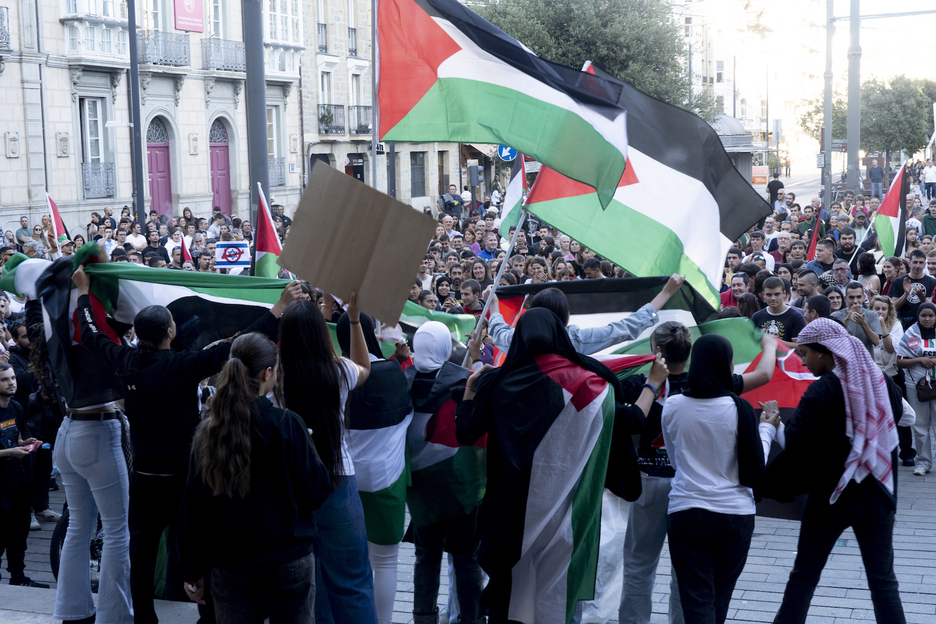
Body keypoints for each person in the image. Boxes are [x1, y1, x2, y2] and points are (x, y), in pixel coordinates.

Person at [71, 266, 302, 624]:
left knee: (142, 551)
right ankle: (206, 616)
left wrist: (84, 292)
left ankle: (144, 618)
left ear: (136, 333)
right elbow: (234, 350)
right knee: (199, 545)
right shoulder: (182, 366)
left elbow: (88, 332)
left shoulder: (124, 362)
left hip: (145, 476)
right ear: (170, 331)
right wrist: (277, 308)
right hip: (186, 474)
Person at [455, 309, 650, 623]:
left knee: (512, 598)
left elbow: (465, 432)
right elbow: (621, 433)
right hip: (569, 510)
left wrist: (470, 388)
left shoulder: (498, 382)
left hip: (511, 514)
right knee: (558, 599)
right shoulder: (595, 383)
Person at [618, 324, 778, 624]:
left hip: (654, 483)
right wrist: (769, 345)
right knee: (689, 578)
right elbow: (765, 374)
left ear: (656, 351)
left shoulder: (643, 384)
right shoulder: (718, 384)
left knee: (639, 566)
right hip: (692, 491)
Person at [177, 333, 331, 624]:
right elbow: (316, 491)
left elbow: (193, 507)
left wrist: (191, 569)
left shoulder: (209, 431)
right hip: (288, 556)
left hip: (230, 561)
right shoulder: (287, 425)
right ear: (267, 373)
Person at [767, 319, 905, 624]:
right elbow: (899, 419)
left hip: (831, 497)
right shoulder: (881, 383)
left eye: (805, 353)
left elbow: (796, 444)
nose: (803, 360)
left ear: (826, 352)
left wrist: (773, 425)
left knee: (804, 576)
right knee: (883, 582)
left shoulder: (821, 391)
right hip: (877, 494)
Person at [662, 335, 779, 624]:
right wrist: (767, 429)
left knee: (696, 599)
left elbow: (675, 459)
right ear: (727, 365)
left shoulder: (673, 405)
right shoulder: (739, 409)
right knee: (719, 599)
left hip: (687, 510)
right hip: (734, 514)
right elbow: (754, 464)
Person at [278, 296, 378, 624]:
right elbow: (365, 366)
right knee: (353, 582)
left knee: (315, 583)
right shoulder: (338, 371)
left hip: (293, 492)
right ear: (323, 333)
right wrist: (351, 320)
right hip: (339, 484)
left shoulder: (276, 380)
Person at [335, 313, 413, 624]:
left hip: (346, 478)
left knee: (354, 561)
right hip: (387, 479)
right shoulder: (394, 371)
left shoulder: (337, 374)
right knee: (387, 561)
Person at [406, 322, 485, 624]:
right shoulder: (466, 380)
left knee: (426, 556)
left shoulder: (402, 380)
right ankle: (472, 619)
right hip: (461, 484)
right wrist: (476, 358)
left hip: (422, 487)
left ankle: (423, 618)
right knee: (466, 558)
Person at [488, 275, 686, 355]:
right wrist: (666, 293)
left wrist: (494, 304)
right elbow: (625, 328)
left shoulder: (515, 341)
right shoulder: (574, 340)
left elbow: (498, 331)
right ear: (566, 317)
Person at [0, 363, 48, 588]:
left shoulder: (16, 407)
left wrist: (25, 444)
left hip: (17, 477)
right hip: (1, 479)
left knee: (19, 531)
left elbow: (15, 438)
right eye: (4, 380)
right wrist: (11, 452)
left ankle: (18, 577)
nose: (11, 383)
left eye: (12, 378)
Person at [870, 295, 916, 467]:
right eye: (877, 309)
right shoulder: (865, 323)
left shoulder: (896, 325)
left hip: (892, 376)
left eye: (884, 309)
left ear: (889, 310)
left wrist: (882, 325)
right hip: (873, 376)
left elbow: (891, 348)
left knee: (900, 412)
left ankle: (907, 452)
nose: (880, 312)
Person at [897, 302, 936, 477]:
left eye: (931, 315)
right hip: (916, 386)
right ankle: (923, 462)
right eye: (923, 316)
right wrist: (920, 360)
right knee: (920, 426)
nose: (927, 319)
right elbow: (900, 361)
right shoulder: (910, 334)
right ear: (918, 317)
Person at [750, 277, 806, 349]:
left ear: (784, 293)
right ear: (763, 295)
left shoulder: (796, 317)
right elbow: (750, 344)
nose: (773, 298)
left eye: (777, 294)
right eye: (769, 295)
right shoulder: (757, 316)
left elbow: (801, 348)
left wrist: (776, 341)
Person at [831, 282, 882, 356]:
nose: (855, 301)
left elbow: (876, 342)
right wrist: (847, 319)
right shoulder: (835, 316)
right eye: (851, 297)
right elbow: (836, 342)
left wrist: (863, 323)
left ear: (864, 297)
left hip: (866, 363)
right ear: (845, 299)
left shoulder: (872, 315)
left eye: (858, 297)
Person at [889, 250, 936, 329]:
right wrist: (906, 294)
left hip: (924, 323)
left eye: (921, 262)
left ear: (925, 264)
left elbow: (930, 307)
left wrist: (920, 295)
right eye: (915, 262)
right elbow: (893, 307)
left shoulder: (932, 282)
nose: (917, 266)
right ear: (909, 264)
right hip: (903, 322)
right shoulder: (898, 281)